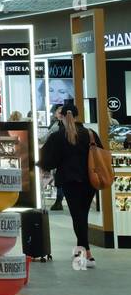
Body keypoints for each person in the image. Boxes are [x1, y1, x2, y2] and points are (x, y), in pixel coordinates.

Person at [40, 101, 103, 268]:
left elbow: (48, 160)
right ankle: (80, 250)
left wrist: (40, 167)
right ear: (77, 116)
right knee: (83, 215)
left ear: (61, 116)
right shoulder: (90, 134)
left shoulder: (58, 136)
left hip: (69, 181)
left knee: (78, 216)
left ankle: (87, 254)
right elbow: (101, 153)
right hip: (90, 180)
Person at [46, 104, 66, 212]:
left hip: (60, 158)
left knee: (60, 179)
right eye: (58, 111)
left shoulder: (57, 125)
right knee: (59, 179)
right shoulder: (55, 124)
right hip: (59, 158)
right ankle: (59, 200)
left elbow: (48, 138)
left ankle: (59, 200)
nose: (59, 113)